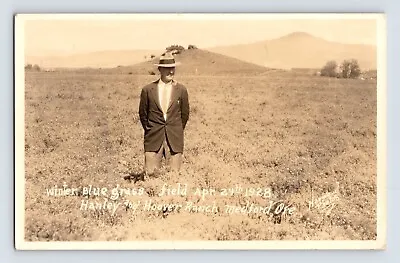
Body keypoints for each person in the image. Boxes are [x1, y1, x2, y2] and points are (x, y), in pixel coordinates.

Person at [138, 52, 189, 176]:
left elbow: (184, 115)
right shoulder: (148, 90)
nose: (171, 72)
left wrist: (175, 129)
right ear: (160, 69)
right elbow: (143, 115)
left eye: (173, 68)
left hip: (174, 139)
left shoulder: (181, 90)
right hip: (154, 138)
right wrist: (152, 129)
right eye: (167, 69)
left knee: (174, 177)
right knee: (151, 176)